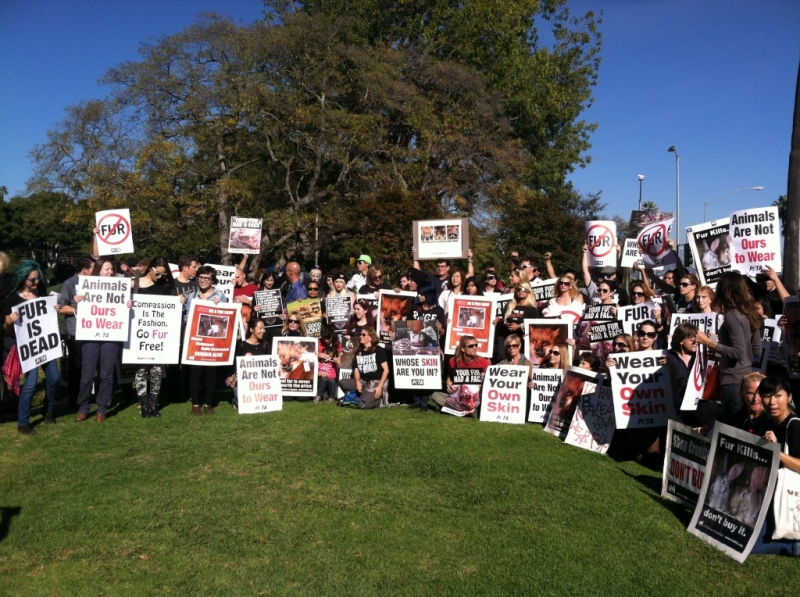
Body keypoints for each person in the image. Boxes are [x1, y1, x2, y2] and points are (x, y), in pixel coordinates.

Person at [696, 272, 762, 424]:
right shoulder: (749, 314)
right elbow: (755, 351)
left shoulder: (731, 315)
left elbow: (739, 352)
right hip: (746, 378)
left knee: (731, 432)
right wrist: (721, 352)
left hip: (732, 382)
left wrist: (708, 342)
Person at [2, 261, 61, 434]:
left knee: (54, 378)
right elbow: (5, 332)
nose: (36, 283)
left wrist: (54, 309)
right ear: (22, 279)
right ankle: (23, 422)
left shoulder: (41, 293)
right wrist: (7, 322)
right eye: (32, 280)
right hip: (27, 349)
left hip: (45, 345)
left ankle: (48, 411)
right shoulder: (12, 300)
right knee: (31, 383)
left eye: (38, 279)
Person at [74, 258, 130, 423]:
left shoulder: (120, 288)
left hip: (111, 336)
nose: (110, 272)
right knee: (87, 375)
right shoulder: (85, 287)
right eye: (107, 269)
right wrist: (77, 303)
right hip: (90, 335)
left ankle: (102, 408)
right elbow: (79, 312)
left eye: (112, 269)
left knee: (106, 374)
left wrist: (128, 304)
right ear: (99, 270)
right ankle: (83, 407)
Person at [750, 375, 800, 557]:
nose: (771, 402)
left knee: (746, 545)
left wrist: (777, 451)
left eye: (778, 396)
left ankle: (793, 546)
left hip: (787, 497)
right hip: (768, 494)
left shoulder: (795, 426)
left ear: (789, 397)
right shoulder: (767, 422)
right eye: (766, 395)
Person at [131, 257, 180, 418]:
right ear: (150, 268)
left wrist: (179, 301)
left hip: (158, 336)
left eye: (163, 274)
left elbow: (171, 306)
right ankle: (144, 406)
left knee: (157, 371)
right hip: (140, 335)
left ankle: (153, 405)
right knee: (141, 370)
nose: (160, 277)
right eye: (157, 273)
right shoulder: (134, 285)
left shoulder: (165, 287)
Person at [183, 265, 229, 416]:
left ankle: (209, 404)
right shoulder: (192, 296)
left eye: (207, 278)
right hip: (196, 341)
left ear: (212, 280)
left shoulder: (220, 296)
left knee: (211, 372)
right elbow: (186, 318)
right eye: (200, 277)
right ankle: (195, 404)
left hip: (212, 341)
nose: (203, 281)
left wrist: (219, 307)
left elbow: (226, 318)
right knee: (195, 372)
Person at [57, 257, 95, 405]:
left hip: (92, 329)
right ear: (85, 270)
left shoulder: (96, 283)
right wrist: (78, 307)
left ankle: (87, 395)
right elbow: (62, 307)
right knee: (76, 366)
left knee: (89, 365)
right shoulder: (69, 284)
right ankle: (74, 398)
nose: (95, 271)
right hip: (75, 331)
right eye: (93, 268)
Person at [429, 335, 491, 414]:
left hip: (475, 398)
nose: (475, 347)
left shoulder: (483, 362)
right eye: (471, 346)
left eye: (476, 345)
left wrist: (485, 377)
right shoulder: (453, 361)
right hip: (458, 397)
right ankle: (466, 411)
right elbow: (450, 375)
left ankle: (454, 409)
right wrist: (448, 381)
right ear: (463, 349)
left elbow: (490, 383)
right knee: (435, 395)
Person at [337, 327, 389, 409]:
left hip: (376, 382)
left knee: (361, 405)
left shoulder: (379, 350)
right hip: (363, 381)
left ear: (371, 337)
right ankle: (360, 395)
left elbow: (386, 370)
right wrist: (357, 382)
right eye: (360, 334)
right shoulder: (359, 352)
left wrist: (380, 386)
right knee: (342, 382)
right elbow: (356, 370)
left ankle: (378, 400)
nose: (361, 336)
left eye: (363, 335)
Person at [226, 317, 270, 408]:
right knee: (244, 400)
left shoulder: (265, 345)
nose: (263, 331)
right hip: (245, 383)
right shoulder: (242, 345)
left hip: (262, 384)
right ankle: (235, 400)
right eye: (260, 328)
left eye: (264, 328)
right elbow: (236, 366)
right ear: (251, 329)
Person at [494, 281, 540, 361]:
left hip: (522, 343)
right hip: (507, 341)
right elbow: (504, 320)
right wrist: (503, 323)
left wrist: (519, 326)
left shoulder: (532, 309)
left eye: (523, 289)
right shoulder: (509, 305)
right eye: (518, 289)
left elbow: (535, 326)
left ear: (528, 292)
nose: (521, 291)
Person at [315, 324, 340, 403]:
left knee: (332, 382)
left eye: (328, 338)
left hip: (332, 374)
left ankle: (330, 395)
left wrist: (336, 361)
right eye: (324, 338)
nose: (326, 340)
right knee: (323, 380)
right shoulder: (318, 342)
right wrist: (317, 355)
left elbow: (340, 363)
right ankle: (321, 394)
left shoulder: (337, 344)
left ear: (332, 335)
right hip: (320, 375)